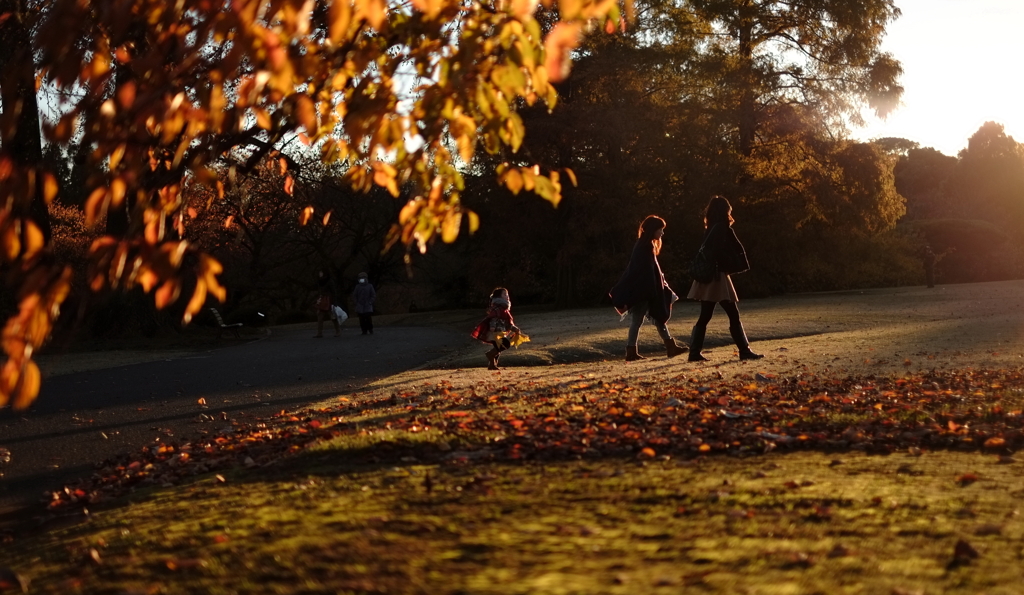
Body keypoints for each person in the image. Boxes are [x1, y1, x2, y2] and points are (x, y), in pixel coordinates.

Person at [686, 196, 762, 361]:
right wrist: (732, 263)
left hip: (712, 276)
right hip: (717, 276)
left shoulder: (711, 227)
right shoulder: (721, 228)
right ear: (725, 210)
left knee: (706, 315)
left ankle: (694, 352)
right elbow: (719, 252)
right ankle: (744, 350)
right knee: (732, 314)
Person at [609, 215, 688, 361]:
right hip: (643, 292)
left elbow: (650, 271)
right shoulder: (644, 247)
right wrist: (652, 290)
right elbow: (643, 272)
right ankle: (632, 351)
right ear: (653, 230)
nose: (662, 233)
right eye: (660, 230)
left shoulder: (645, 245)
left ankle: (670, 347)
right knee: (638, 320)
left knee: (657, 318)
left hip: (647, 290)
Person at [470, 287, 521, 370]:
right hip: (495, 332)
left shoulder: (504, 308)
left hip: (500, 331)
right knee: (504, 345)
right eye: (505, 294)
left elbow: (506, 323)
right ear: (499, 297)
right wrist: (493, 326)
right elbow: (493, 317)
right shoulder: (498, 307)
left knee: (498, 349)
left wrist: (514, 328)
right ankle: (490, 354)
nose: (507, 296)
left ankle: (492, 365)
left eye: (507, 295)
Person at [313, 268, 341, 338]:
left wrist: (334, 302)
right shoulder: (319, 281)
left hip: (329, 301)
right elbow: (319, 291)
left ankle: (338, 331)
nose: (320, 274)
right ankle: (319, 333)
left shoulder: (329, 281)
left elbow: (334, 292)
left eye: (321, 273)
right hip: (322, 300)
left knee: (333, 317)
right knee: (320, 317)